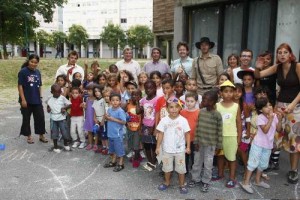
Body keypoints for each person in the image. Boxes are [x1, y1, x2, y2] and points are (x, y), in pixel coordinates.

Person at [254, 43, 300, 184]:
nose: (282, 54)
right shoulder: (277, 67)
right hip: (279, 106)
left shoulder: (297, 66)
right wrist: (257, 66)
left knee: (294, 139)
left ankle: (293, 170)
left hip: (296, 106)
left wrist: (293, 104)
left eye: (285, 52)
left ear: (290, 54)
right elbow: (259, 75)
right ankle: (269, 163)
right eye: (279, 52)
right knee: (276, 135)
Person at [240, 97, 282, 194]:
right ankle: (245, 182)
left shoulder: (274, 116)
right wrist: (271, 119)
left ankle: (257, 181)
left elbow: (279, 129)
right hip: (258, 144)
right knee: (252, 163)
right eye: (266, 107)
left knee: (263, 164)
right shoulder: (260, 118)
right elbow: (265, 130)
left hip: (268, 145)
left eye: (270, 105)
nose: (269, 108)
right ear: (260, 110)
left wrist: (279, 120)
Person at [188, 90, 222, 192]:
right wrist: (196, 141)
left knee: (208, 164)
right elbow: (198, 127)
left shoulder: (217, 115)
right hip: (200, 143)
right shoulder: (201, 112)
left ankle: (206, 181)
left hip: (211, 145)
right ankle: (195, 178)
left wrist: (219, 145)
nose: (203, 101)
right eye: (203, 99)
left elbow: (220, 131)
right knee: (197, 162)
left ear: (213, 102)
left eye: (206, 100)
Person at [156, 96, 191, 194]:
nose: (174, 109)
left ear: (180, 108)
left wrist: (188, 147)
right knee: (167, 169)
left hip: (180, 150)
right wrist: (158, 147)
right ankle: (166, 182)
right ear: (167, 109)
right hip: (167, 150)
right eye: (171, 107)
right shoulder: (164, 120)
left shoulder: (183, 120)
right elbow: (160, 134)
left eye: (176, 107)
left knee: (181, 169)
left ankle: (182, 184)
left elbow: (187, 133)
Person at [216, 80, 242, 188]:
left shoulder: (236, 106)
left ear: (234, 93)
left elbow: (239, 122)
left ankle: (232, 178)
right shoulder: (217, 105)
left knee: (231, 158)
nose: (228, 94)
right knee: (220, 156)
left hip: (231, 136)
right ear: (221, 93)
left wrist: (239, 137)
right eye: (225, 91)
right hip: (219, 136)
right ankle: (220, 174)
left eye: (231, 91)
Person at [18, 54, 47, 144]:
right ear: (28, 61)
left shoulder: (38, 72)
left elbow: (40, 86)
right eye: (32, 62)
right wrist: (23, 99)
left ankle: (41, 135)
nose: (33, 64)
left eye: (36, 62)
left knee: (40, 117)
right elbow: (20, 86)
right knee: (26, 119)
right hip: (26, 100)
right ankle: (29, 136)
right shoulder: (23, 72)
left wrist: (40, 96)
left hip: (37, 100)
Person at [103, 93, 127, 172]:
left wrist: (112, 119)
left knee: (119, 150)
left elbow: (123, 122)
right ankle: (113, 162)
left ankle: (121, 164)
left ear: (120, 101)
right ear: (110, 101)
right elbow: (107, 118)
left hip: (117, 134)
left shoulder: (120, 111)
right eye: (113, 100)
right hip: (110, 133)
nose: (115, 102)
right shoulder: (109, 109)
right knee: (112, 149)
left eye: (117, 100)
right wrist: (106, 117)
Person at [139, 80, 159, 171]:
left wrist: (155, 128)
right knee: (146, 145)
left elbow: (158, 115)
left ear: (155, 88)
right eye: (146, 88)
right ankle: (150, 161)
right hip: (145, 126)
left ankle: (154, 161)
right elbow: (141, 113)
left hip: (154, 127)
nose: (148, 90)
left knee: (154, 145)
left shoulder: (157, 100)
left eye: (151, 88)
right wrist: (141, 126)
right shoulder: (143, 100)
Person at [46, 84, 72, 153]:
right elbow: (48, 105)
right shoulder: (49, 98)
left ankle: (66, 144)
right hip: (53, 118)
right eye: (56, 92)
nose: (58, 93)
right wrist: (48, 109)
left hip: (62, 118)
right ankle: (55, 146)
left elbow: (70, 104)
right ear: (52, 92)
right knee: (54, 132)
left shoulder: (62, 98)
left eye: (59, 92)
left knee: (64, 132)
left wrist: (64, 108)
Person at [180, 92, 200, 174]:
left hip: (194, 138)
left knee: (194, 156)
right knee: (184, 155)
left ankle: (194, 169)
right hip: (184, 138)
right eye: (187, 101)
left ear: (196, 102)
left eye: (192, 101)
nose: (189, 103)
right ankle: (185, 170)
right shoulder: (182, 112)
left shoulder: (199, 112)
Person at [125, 89, 143, 168]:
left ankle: (136, 159)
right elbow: (124, 111)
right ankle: (136, 155)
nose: (135, 97)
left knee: (136, 145)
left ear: (140, 97)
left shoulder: (141, 105)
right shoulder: (128, 104)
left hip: (137, 129)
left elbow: (138, 112)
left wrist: (138, 102)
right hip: (129, 127)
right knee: (131, 143)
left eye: (137, 95)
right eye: (133, 95)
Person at [92, 85, 107, 152]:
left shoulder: (103, 100)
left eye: (98, 91)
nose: (97, 93)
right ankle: (103, 147)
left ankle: (107, 147)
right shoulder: (95, 101)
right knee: (100, 134)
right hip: (97, 120)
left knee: (105, 135)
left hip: (103, 120)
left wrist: (103, 120)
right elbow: (95, 111)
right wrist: (95, 119)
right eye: (95, 91)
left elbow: (105, 111)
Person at [83, 83, 96, 151]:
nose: (88, 92)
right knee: (89, 132)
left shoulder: (96, 99)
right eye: (88, 91)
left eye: (90, 91)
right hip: (89, 118)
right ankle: (90, 143)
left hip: (95, 118)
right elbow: (87, 108)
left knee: (96, 132)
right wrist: (84, 106)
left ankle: (96, 144)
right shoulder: (87, 98)